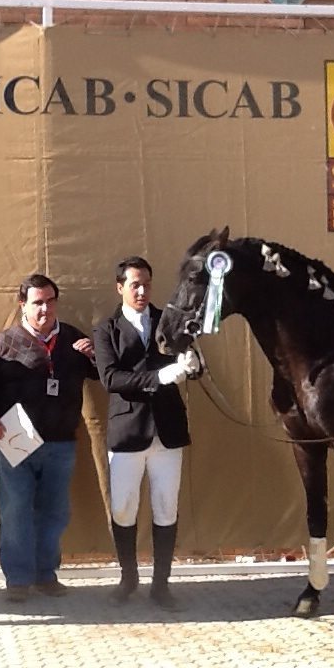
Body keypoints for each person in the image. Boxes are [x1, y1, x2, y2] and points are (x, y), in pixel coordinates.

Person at [0, 273, 98, 603]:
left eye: (50, 301)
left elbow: (103, 375)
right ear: (23, 305)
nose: (45, 309)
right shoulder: (5, 342)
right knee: (15, 512)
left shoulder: (73, 339)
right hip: (15, 442)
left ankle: (46, 575)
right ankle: (18, 580)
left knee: (54, 513)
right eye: (37, 303)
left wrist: (95, 355)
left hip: (61, 443)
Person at [92, 256, 198, 610]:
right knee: (124, 508)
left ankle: (161, 585)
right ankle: (128, 578)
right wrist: (159, 378)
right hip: (128, 432)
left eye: (146, 284)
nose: (141, 290)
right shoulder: (106, 328)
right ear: (120, 287)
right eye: (134, 284)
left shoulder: (168, 321)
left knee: (166, 507)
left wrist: (192, 366)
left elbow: (186, 361)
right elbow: (111, 379)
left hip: (167, 431)